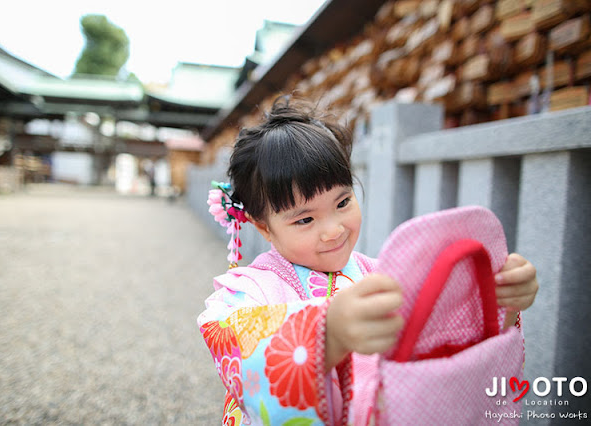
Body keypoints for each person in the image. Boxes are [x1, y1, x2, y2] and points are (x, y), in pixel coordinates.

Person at [198, 96, 539, 425]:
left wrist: (501, 302)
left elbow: (449, 343)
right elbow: (232, 347)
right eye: (305, 220)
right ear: (264, 228)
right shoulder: (251, 290)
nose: (333, 230)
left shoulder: (384, 274)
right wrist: (327, 334)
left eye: (343, 202)